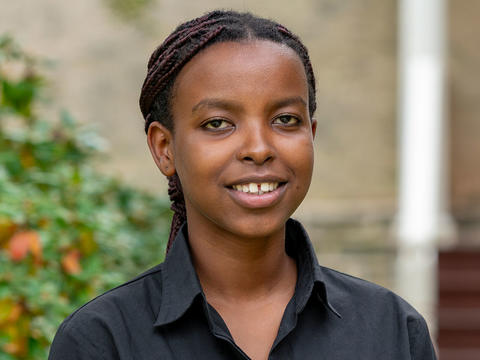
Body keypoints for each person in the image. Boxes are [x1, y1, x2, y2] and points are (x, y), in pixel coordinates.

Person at [49, 10, 437, 360]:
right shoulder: (103, 340)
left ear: (311, 134)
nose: (258, 148)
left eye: (285, 120)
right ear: (164, 148)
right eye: (218, 124)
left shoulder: (391, 330)